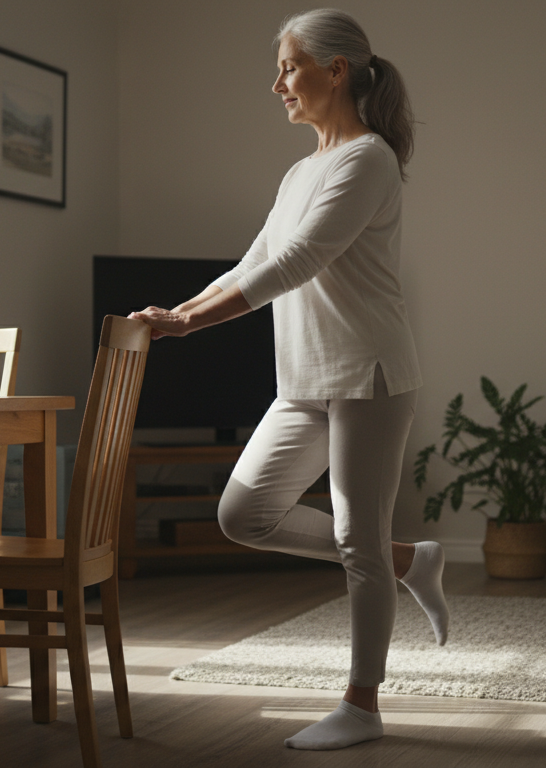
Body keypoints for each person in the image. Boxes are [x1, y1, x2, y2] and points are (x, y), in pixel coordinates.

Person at [128, 8, 449, 751]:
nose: (277, 84)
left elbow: (297, 263)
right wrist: (179, 312)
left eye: (288, 67)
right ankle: (411, 560)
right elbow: (251, 263)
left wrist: (191, 327)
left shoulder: (366, 160)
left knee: (355, 543)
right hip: (304, 378)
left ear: (335, 71)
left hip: (368, 374)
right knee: (243, 514)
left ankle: (361, 706)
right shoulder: (302, 169)